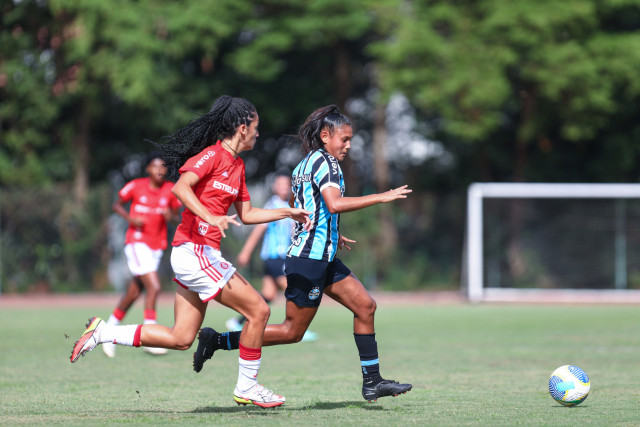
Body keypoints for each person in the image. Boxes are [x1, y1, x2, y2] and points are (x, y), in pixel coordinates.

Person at [70, 95, 311, 409]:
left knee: (181, 338)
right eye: (255, 127)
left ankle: (102, 333)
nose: (258, 133)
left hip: (198, 256)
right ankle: (247, 386)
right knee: (260, 311)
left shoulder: (237, 166)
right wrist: (210, 216)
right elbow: (181, 188)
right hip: (194, 252)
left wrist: (287, 212)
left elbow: (248, 214)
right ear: (241, 128)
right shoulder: (212, 155)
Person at [193, 104, 413, 403]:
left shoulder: (304, 164)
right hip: (309, 261)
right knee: (291, 332)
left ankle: (372, 382)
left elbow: (306, 207)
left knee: (366, 307)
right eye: (344, 139)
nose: (348, 145)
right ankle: (218, 340)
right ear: (325, 136)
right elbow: (333, 203)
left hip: (322, 256)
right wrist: (381, 197)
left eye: (350, 140)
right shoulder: (328, 164)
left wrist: (332, 231)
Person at [103, 152, 181, 358]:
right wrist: (130, 218)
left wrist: (170, 216)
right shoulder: (136, 186)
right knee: (154, 286)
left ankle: (107, 331)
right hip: (137, 244)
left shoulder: (170, 190)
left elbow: (177, 217)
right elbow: (116, 204)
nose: (160, 170)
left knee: (134, 292)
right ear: (148, 169)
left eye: (163, 167)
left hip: (157, 246)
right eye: (156, 166)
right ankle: (150, 338)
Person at [226, 171, 317, 342]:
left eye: (286, 184)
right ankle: (298, 328)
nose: (283, 188)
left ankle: (237, 322)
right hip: (273, 256)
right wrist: (245, 252)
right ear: (275, 187)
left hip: (284, 256)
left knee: (268, 294)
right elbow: (258, 231)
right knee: (293, 287)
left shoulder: (292, 206)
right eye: (280, 184)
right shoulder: (272, 206)